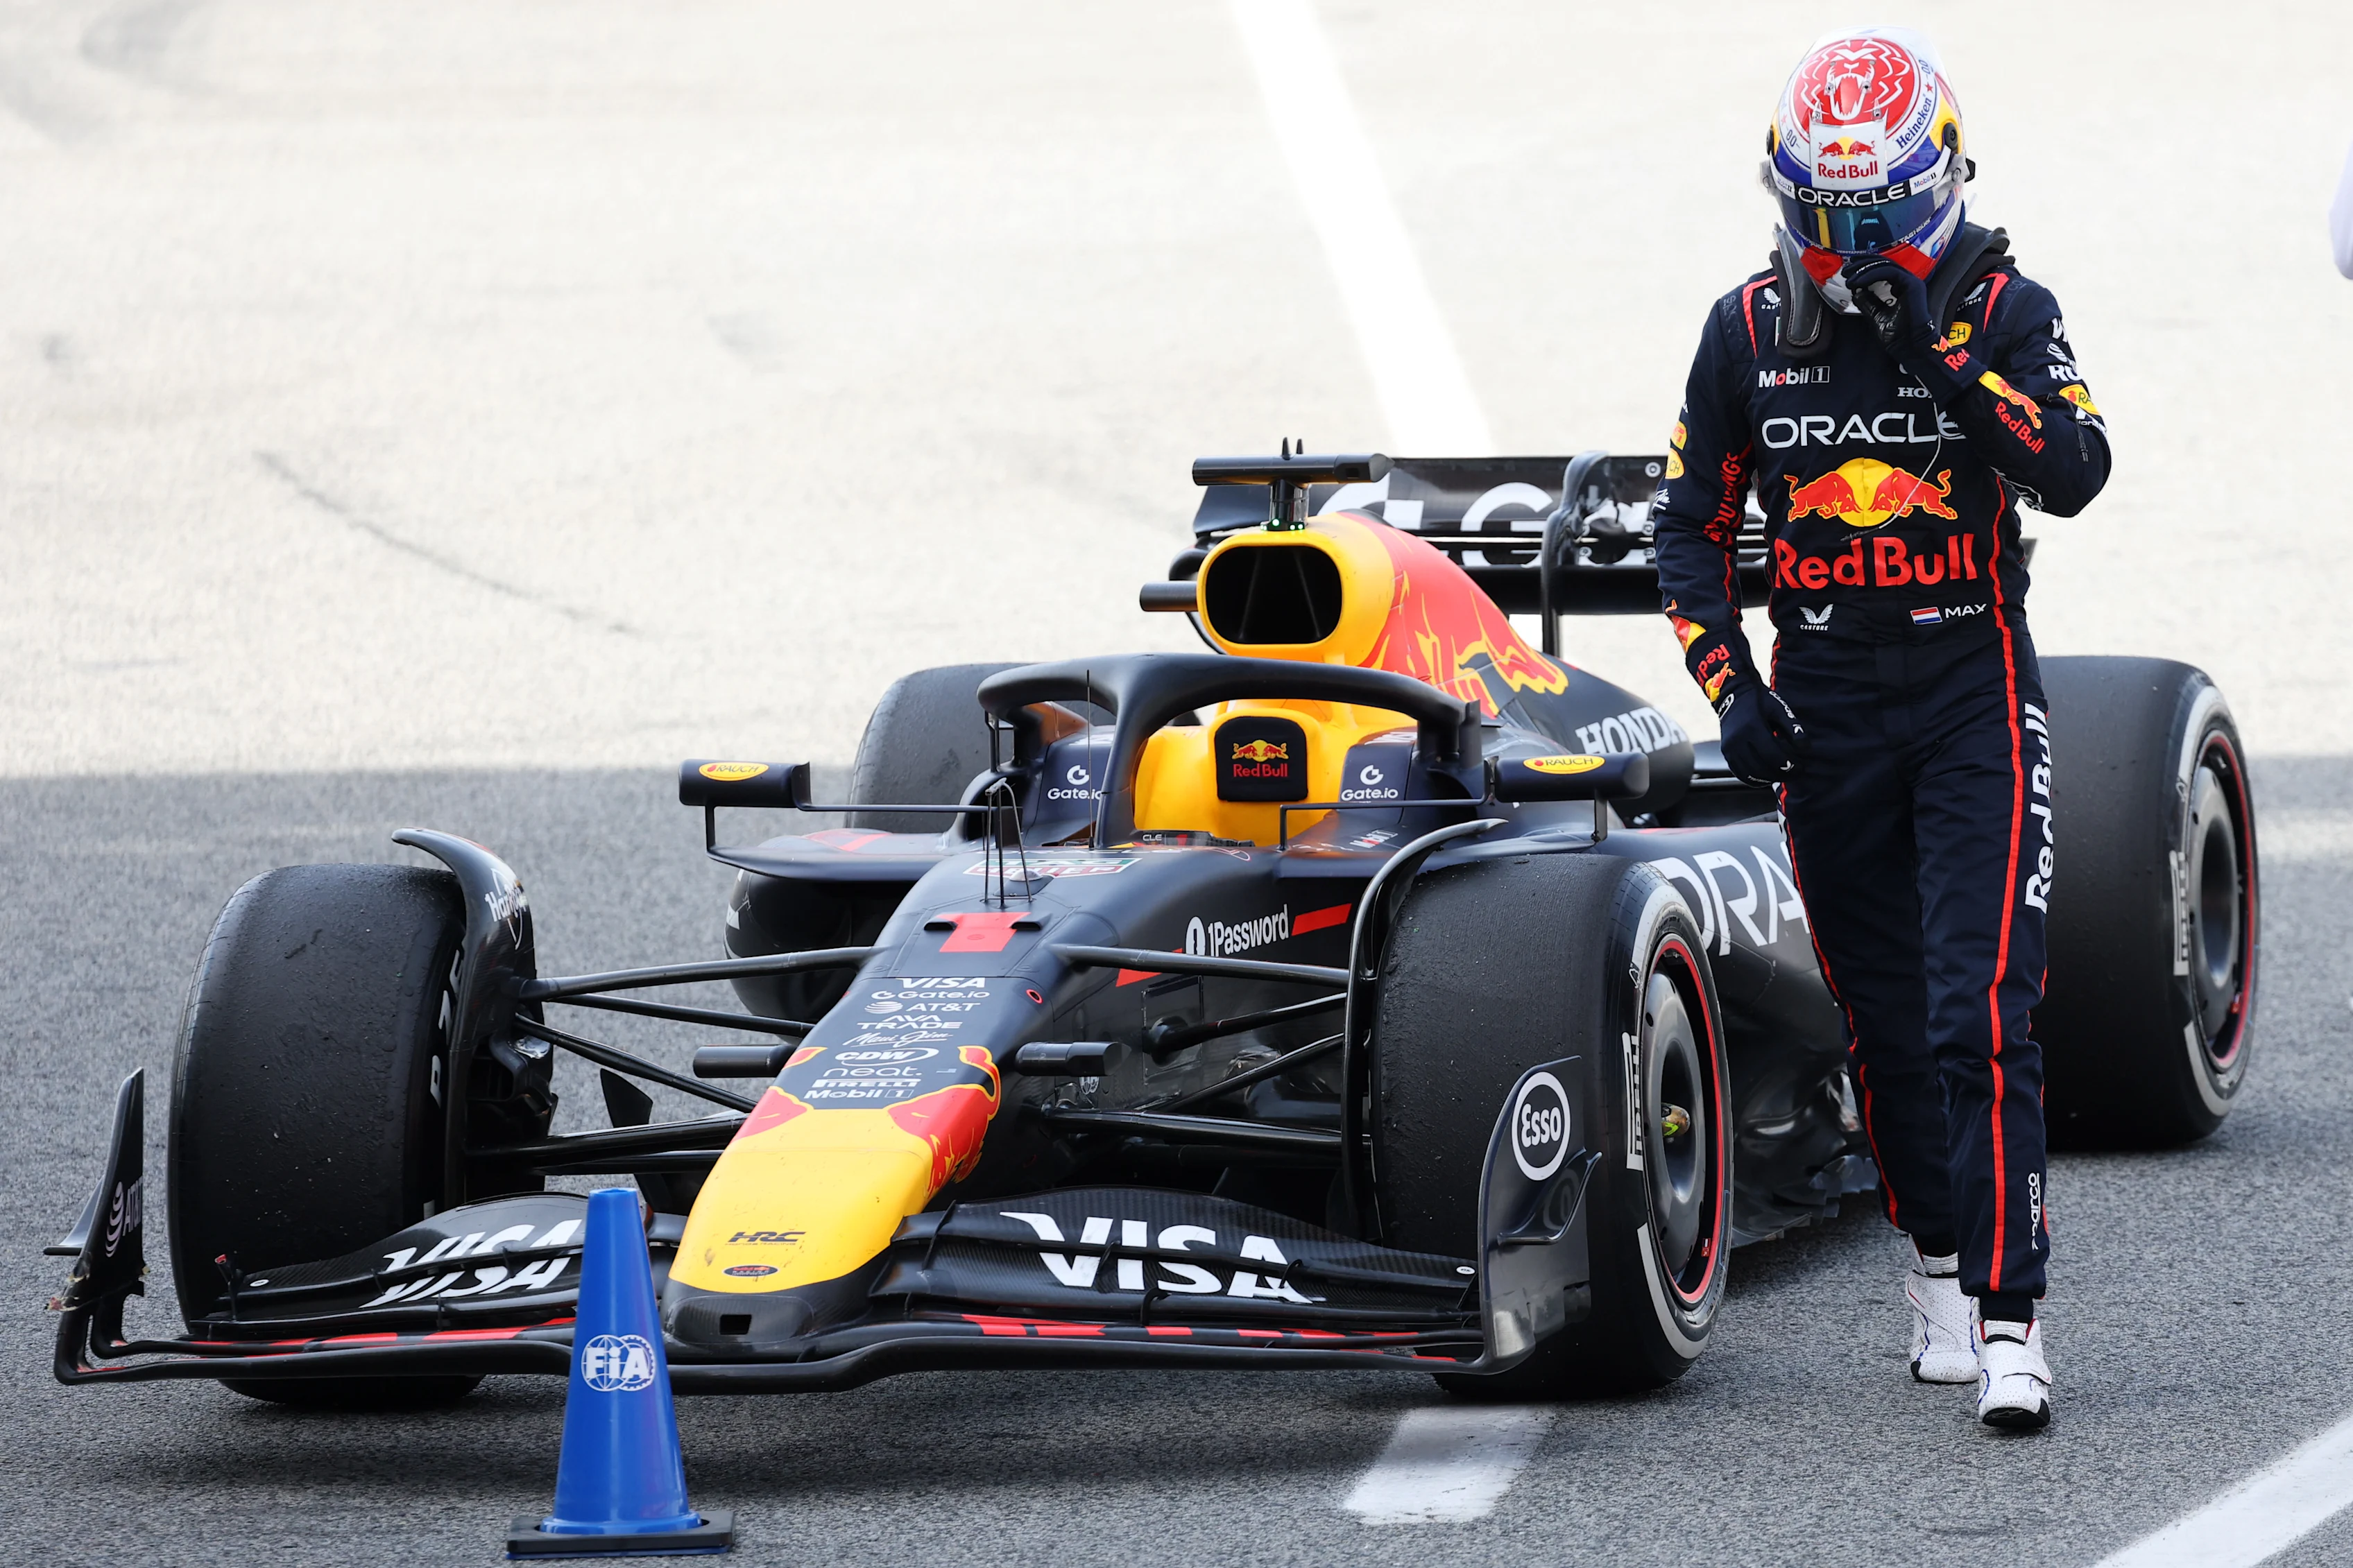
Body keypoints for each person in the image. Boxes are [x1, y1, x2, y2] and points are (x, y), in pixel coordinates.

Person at [1649, 27, 2110, 1431]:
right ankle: (1927, 1257)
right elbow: (1687, 525)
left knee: (1983, 1007)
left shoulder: (2006, 303)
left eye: (1877, 215)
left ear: (1936, 183)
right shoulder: (1742, 331)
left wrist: (1949, 355)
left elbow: (2077, 469)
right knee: (1886, 1020)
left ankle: (2011, 1309)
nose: (1853, 245)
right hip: (1831, 703)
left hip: (1974, 685)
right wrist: (1732, 686)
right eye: (1829, 217)